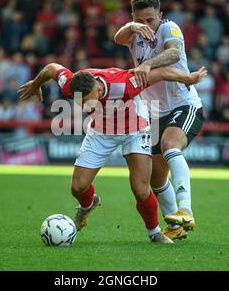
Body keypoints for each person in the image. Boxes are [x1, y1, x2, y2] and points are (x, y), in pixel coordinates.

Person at [18, 62, 206, 243]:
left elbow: (161, 73)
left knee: (140, 189)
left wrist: (187, 78)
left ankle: (154, 233)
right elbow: (52, 68)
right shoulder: (70, 83)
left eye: (86, 101)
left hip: (135, 130)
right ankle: (88, 204)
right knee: (78, 188)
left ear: (98, 90)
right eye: (79, 102)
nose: (83, 106)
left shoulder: (124, 84)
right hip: (101, 132)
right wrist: (36, 84)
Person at [114, 0, 205, 240]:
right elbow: (117, 37)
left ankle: (186, 209)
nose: (147, 25)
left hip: (183, 104)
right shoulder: (134, 33)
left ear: (160, 16)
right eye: (140, 20)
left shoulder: (169, 28)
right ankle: (175, 226)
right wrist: (132, 26)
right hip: (152, 112)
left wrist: (147, 64)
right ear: (133, 18)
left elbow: (174, 54)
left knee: (169, 145)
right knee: (155, 177)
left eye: (150, 20)